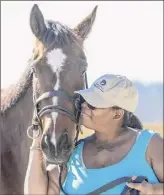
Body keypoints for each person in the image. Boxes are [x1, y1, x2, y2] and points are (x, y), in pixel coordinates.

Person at [24, 74, 163, 195]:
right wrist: (37, 138)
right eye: (84, 100)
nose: (84, 106)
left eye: (93, 104)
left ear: (117, 114)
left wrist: (153, 190)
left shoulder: (151, 145)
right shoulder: (73, 153)